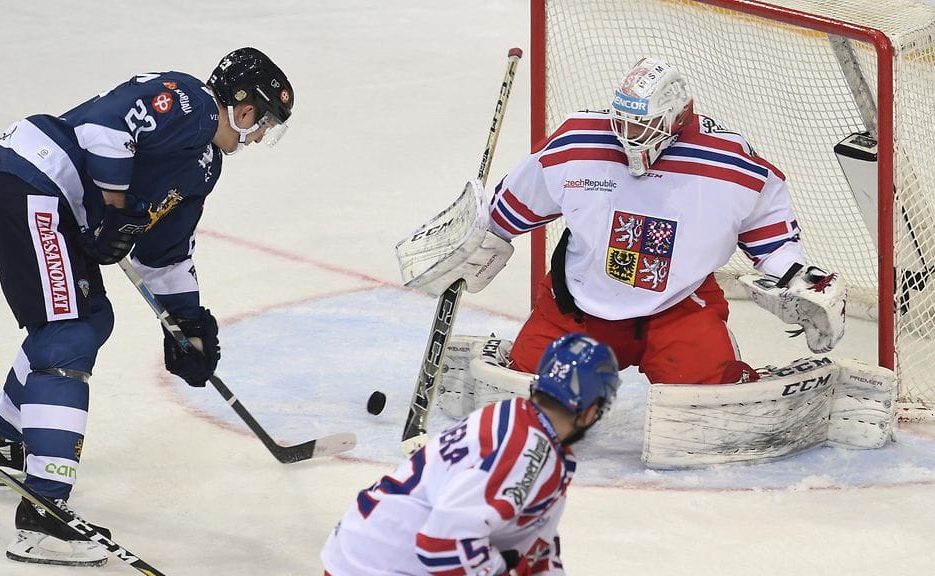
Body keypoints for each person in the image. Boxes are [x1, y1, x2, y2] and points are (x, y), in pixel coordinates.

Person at [0, 47, 294, 566]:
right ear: (246, 109)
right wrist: (113, 212)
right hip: (32, 181)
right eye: (265, 123)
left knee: (92, 318)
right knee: (67, 331)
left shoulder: (204, 164)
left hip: (41, 198)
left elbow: (164, 253)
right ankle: (43, 517)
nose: (260, 136)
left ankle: (0, 442)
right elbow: (101, 130)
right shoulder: (191, 102)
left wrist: (188, 321)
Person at [482, 56, 844, 385]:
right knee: (524, 396)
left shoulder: (728, 163)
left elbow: (772, 238)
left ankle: (716, 363)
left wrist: (799, 280)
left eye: (643, 125)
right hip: (577, 306)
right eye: (622, 122)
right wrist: (479, 237)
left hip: (679, 308)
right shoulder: (578, 142)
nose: (629, 135)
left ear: (677, 116)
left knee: (704, 404)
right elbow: (510, 208)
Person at [321, 333, 620, 576]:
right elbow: (442, 544)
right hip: (379, 563)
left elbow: (534, 546)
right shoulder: (523, 451)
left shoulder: (525, 429)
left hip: (371, 547)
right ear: (591, 410)